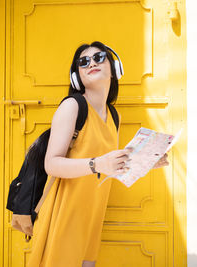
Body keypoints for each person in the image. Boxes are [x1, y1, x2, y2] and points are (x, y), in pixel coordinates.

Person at [27, 41, 169, 267]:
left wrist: (146, 161)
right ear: (77, 77)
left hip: (92, 213)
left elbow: (110, 165)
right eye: (83, 62)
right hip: (65, 212)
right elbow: (51, 164)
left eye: (99, 57)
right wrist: (95, 165)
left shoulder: (114, 116)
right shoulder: (72, 106)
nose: (91, 63)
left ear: (114, 68)